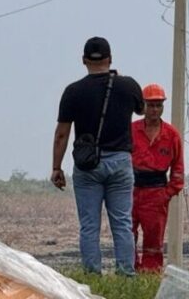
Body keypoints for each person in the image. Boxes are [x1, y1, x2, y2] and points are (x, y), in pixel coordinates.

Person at [51, 36, 144, 275]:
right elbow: (141, 109)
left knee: (89, 226)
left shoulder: (73, 91)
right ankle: (126, 274)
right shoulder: (128, 85)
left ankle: (92, 274)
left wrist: (57, 167)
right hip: (120, 161)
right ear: (110, 59)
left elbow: (62, 133)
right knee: (122, 223)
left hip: (88, 164)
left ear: (84, 60)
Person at [130, 83, 184, 273]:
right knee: (126, 233)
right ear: (143, 106)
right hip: (131, 190)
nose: (154, 109)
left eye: (158, 105)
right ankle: (128, 271)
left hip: (156, 192)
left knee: (154, 239)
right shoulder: (131, 130)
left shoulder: (171, 135)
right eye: (151, 105)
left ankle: (151, 273)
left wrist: (167, 193)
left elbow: (178, 168)